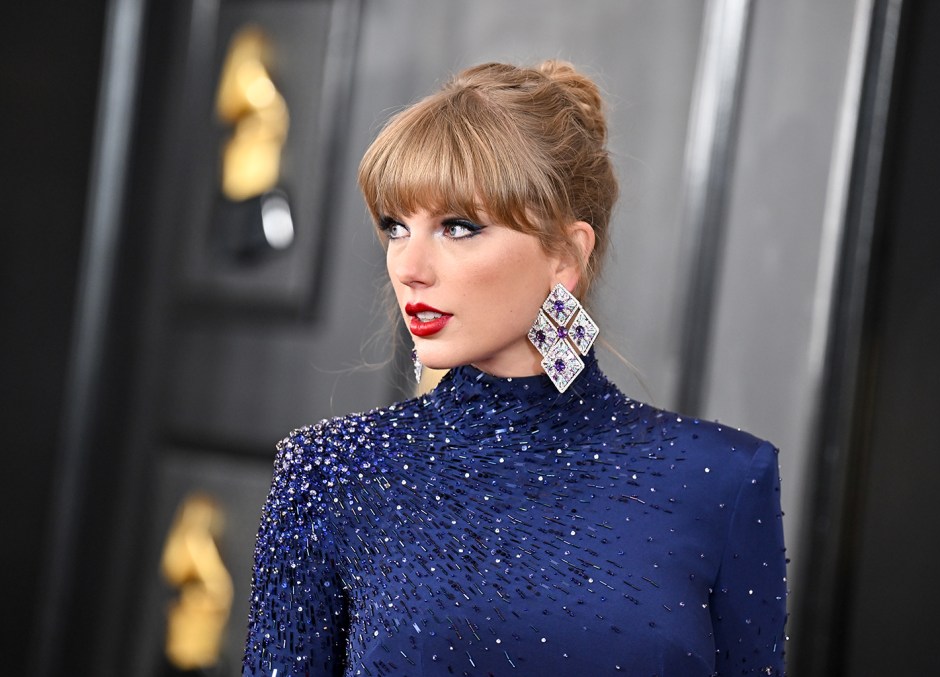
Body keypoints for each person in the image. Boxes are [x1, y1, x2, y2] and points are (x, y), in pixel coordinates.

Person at [242, 60, 787, 677]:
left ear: (567, 254)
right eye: (397, 227)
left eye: (457, 227)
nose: (409, 267)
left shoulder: (725, 480)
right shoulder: (329, 472)